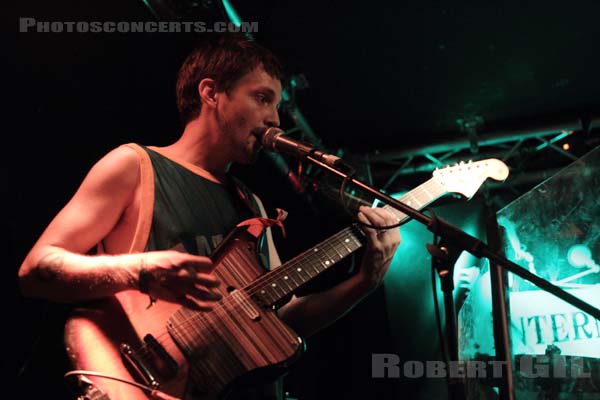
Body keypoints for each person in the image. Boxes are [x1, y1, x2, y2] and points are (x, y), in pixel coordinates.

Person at [17, 33, 401, 400]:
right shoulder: (134, 165)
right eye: (262, 98)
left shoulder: (252, 205)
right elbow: (37, 269)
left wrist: (364, 281)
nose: (275, 120)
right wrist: (142, 271)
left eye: (277, 106)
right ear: (211, 92)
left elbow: (282, 319)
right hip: (135, 377)